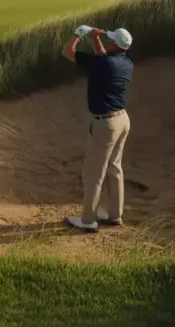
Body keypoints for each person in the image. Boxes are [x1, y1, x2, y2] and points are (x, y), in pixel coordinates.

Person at [60, 24, 134, 232]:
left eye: (110, 39)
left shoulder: (104, 64)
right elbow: (103, 58)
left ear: (114, 44)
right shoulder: (126, 63)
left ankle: (88, 220)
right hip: (122, 121)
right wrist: (95, 38)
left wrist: (78, 34)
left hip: (106, 124)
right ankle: (115, 215)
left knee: (94, 172)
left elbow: (67, 53)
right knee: (114, 168)